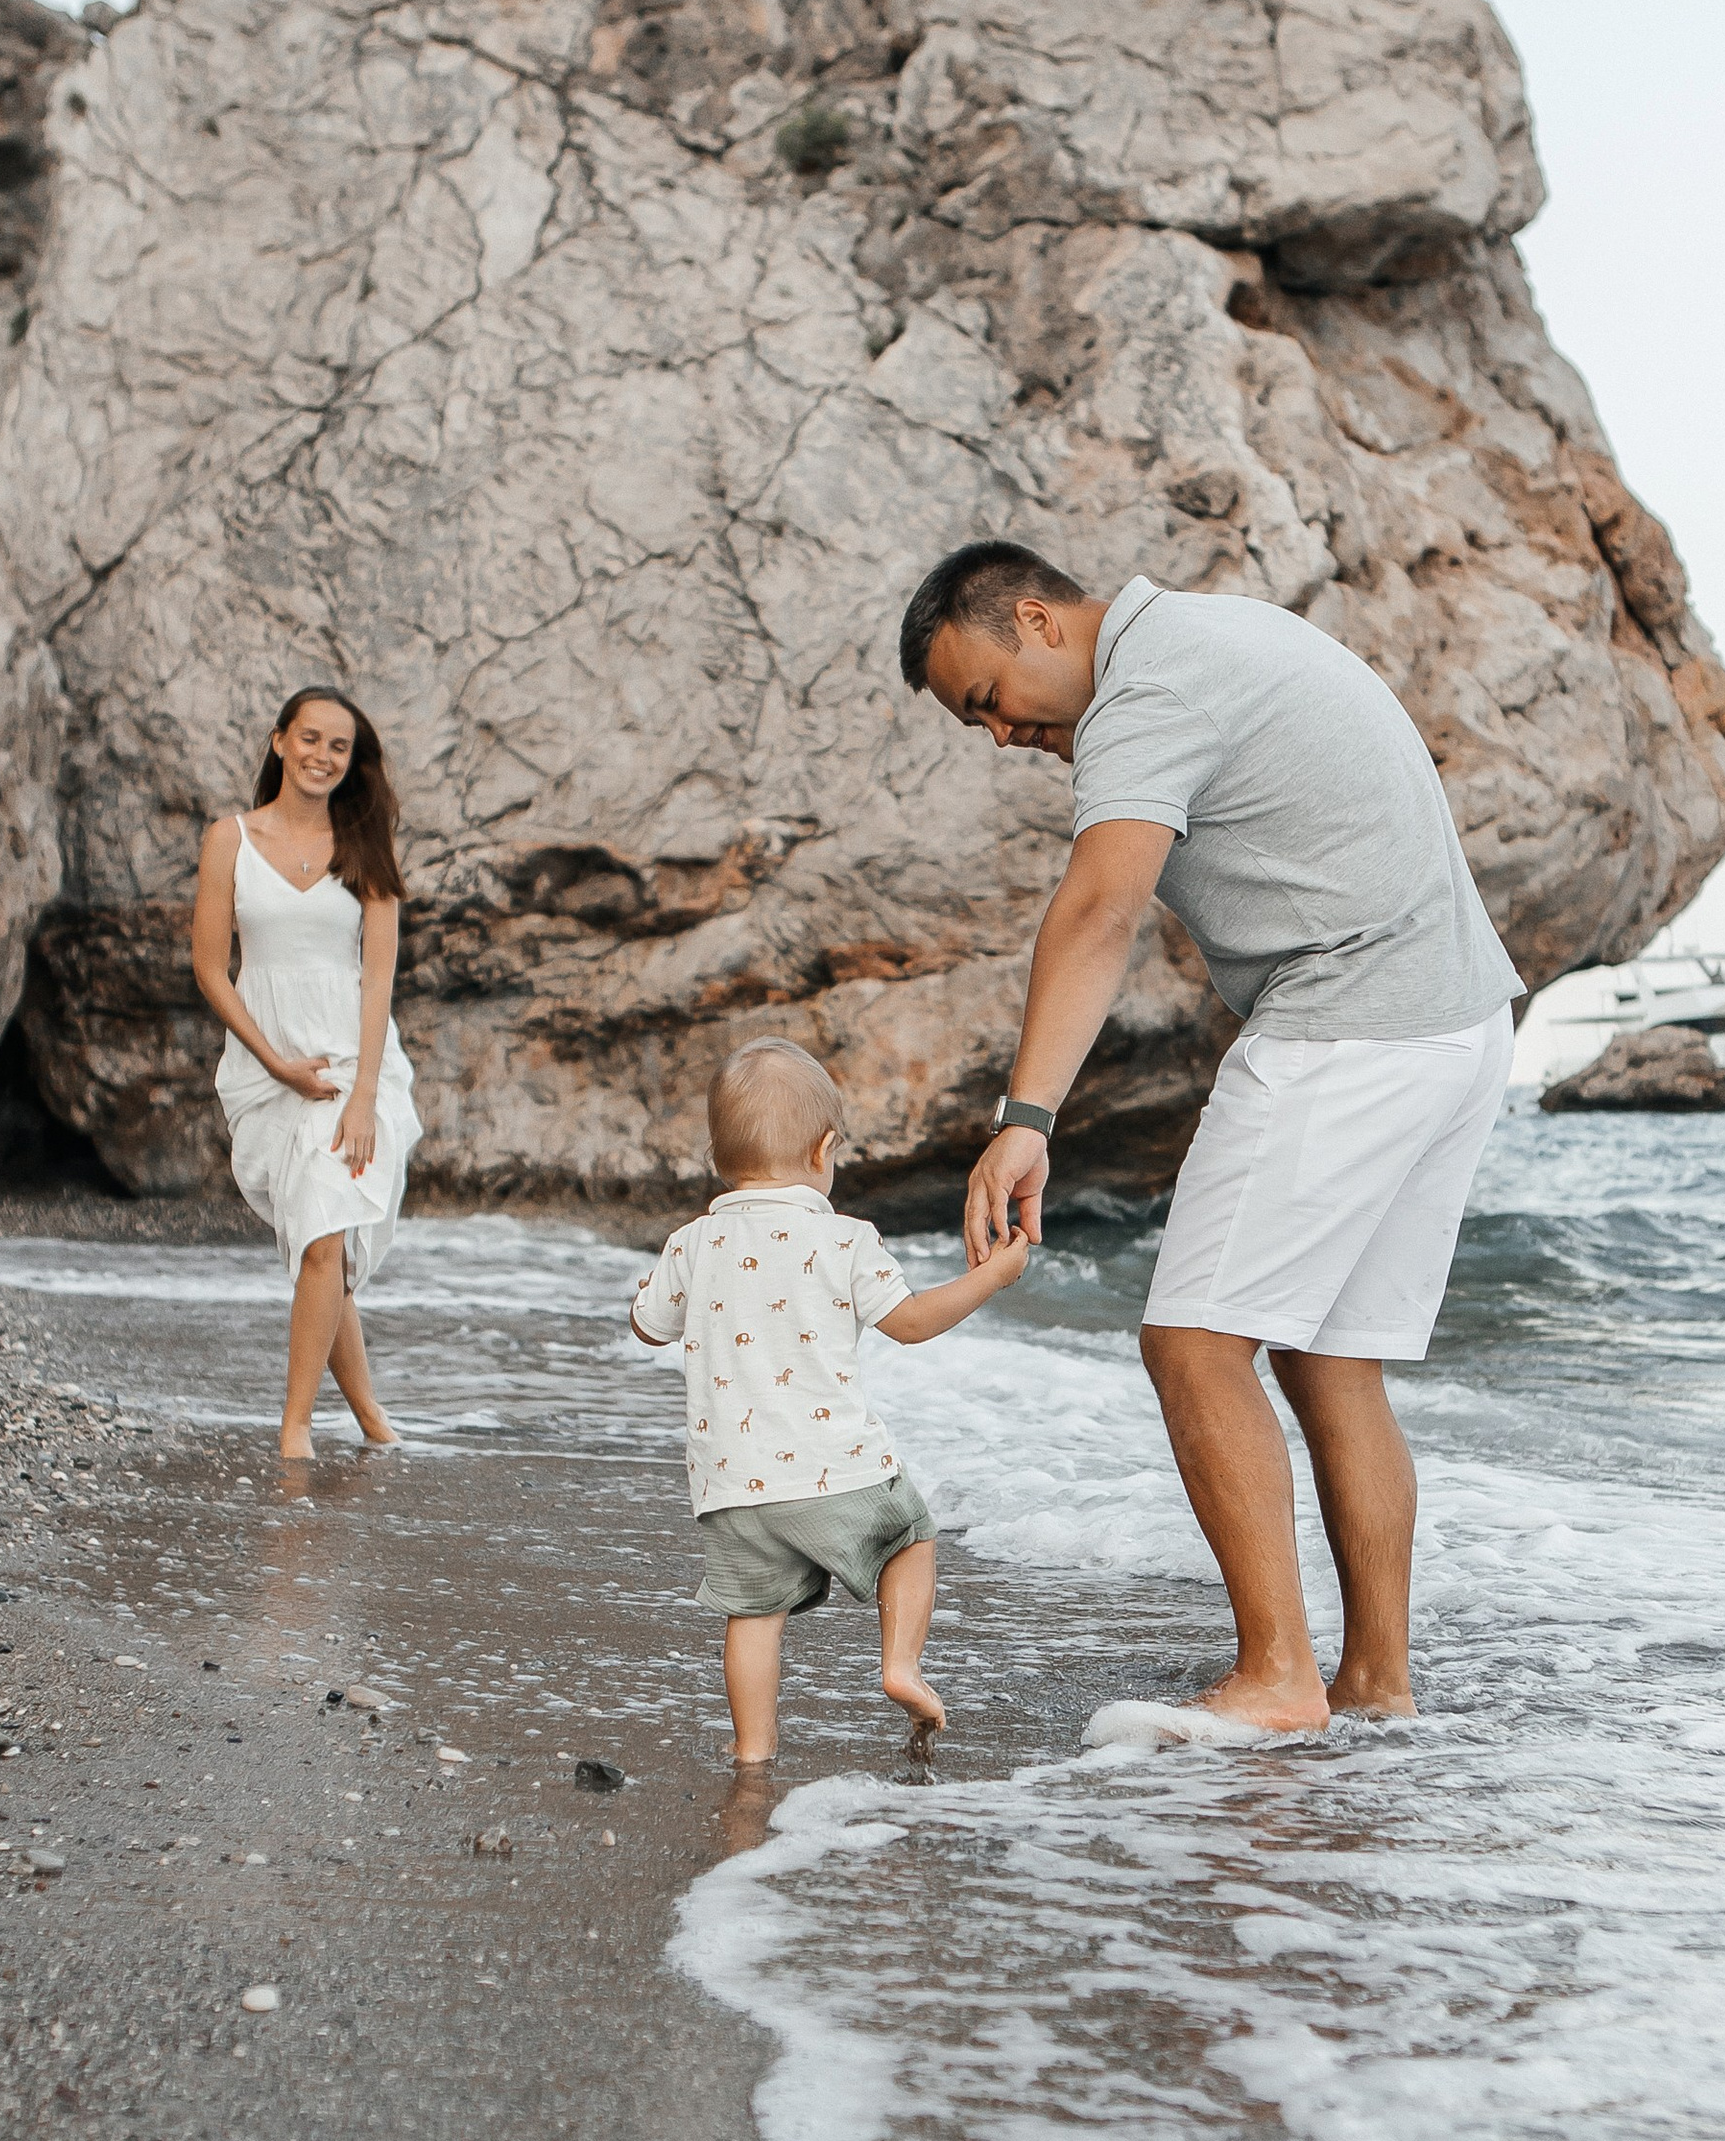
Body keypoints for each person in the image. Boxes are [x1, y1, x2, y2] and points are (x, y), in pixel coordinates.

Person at [901, 543, 1521, 1734]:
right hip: (1457, 1024)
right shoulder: (1220, 633)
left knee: (1193, 1344)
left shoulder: (1148, 686)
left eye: (985, 698)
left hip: (1350, 1021)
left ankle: (1276, 1679)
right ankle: (1374, 1685)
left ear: (1035, 618)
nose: (993, 734)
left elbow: (1100, 906)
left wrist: (1023, 1122)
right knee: (1331, 1360)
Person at [630, 1037, 1029, 1762]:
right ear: (825, 1150)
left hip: (731, 1482)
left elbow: (648, 1325)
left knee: (753, 1616)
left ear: (721, 1158)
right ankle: (900, 1664)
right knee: (911, 1537)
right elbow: (911, 1325)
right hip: (832, 1466)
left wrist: (650, 1296)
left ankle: (753, 1748)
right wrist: (993, 1279)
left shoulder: (691, 1241)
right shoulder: (845, 1239)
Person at [190, 686, 421, 1462]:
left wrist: (361, 1098)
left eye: (340, 747)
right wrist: (276, 1064)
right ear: (281, 740)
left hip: (354, 1068)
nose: (323, 756)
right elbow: (211, 969)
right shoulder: (229, 839)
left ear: (352, 762)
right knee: (324, 1247)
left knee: (325, 1236)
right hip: (267, 1071)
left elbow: (378, 981)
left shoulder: (366, 847)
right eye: (311, 738)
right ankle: (371, 1416)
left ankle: (294, 1431)